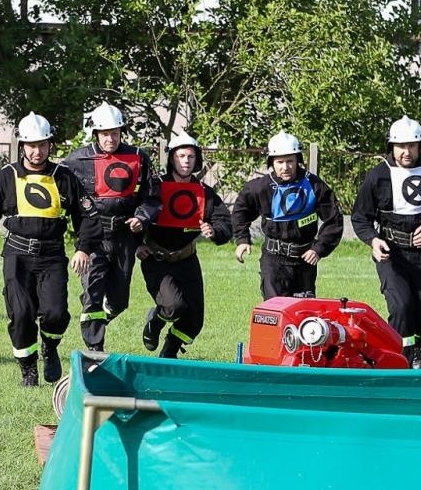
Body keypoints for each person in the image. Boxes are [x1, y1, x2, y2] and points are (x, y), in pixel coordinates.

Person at [0, 113, 95, 387]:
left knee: (56, 313)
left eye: (42, 145)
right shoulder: (7, 177)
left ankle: (50, 346)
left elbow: (87, 216)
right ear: (22, 146)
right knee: (21, 313)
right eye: (32, 145)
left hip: (52, 256)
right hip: (17, 256)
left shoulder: (63, 177)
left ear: (50, 145)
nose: (37, 151)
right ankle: (28, 369)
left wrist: (83, 248)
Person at [348, 116, 421, 368]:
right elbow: (360, 217)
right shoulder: (378, 175)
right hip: (391, 253)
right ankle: (400, 360)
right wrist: (373, 240)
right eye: (401, 146)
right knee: (401, 306)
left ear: (420, 146)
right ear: (392, 146)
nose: (406, 151)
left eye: (411, 145)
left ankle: (418, 342)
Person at [60, 102, 159, 351]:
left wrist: (142, 218)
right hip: (93, 235)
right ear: (96, 133)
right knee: (93, 293)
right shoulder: (77, 160)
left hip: (124, 236)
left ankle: (97, 315)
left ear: (121, 132)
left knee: (119, 301)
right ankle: (95, 350)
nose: (110, 139)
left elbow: (151, 197)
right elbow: (60, 192)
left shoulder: (138, 157)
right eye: (105, 134)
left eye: (115, 133)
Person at [138, 132, 232, 358]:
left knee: (194, 320)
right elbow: (136, 214)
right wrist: (137, 245)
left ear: (197, 159)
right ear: (172, 158)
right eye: (181, 156)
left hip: (187, 261)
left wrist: (214, 231)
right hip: (157, 260)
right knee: (173, 307)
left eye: (190, 156)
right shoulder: (156, 186)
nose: (186, 161)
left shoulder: (204, 192)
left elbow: (224, 221)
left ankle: (169, 352)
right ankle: (155, 321)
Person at [231, 131, 345, 299]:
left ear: (298, 160)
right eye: (280, 162)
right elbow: (241, 211)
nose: (285, 167)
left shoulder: (314, 185)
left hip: (305, 262)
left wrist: (319, 249)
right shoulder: (260, 187)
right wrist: (242, 240)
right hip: (273, 261)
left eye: (290, 161)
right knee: (276, 309)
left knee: (303, 311)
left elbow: (334, 220)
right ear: (272, 162)